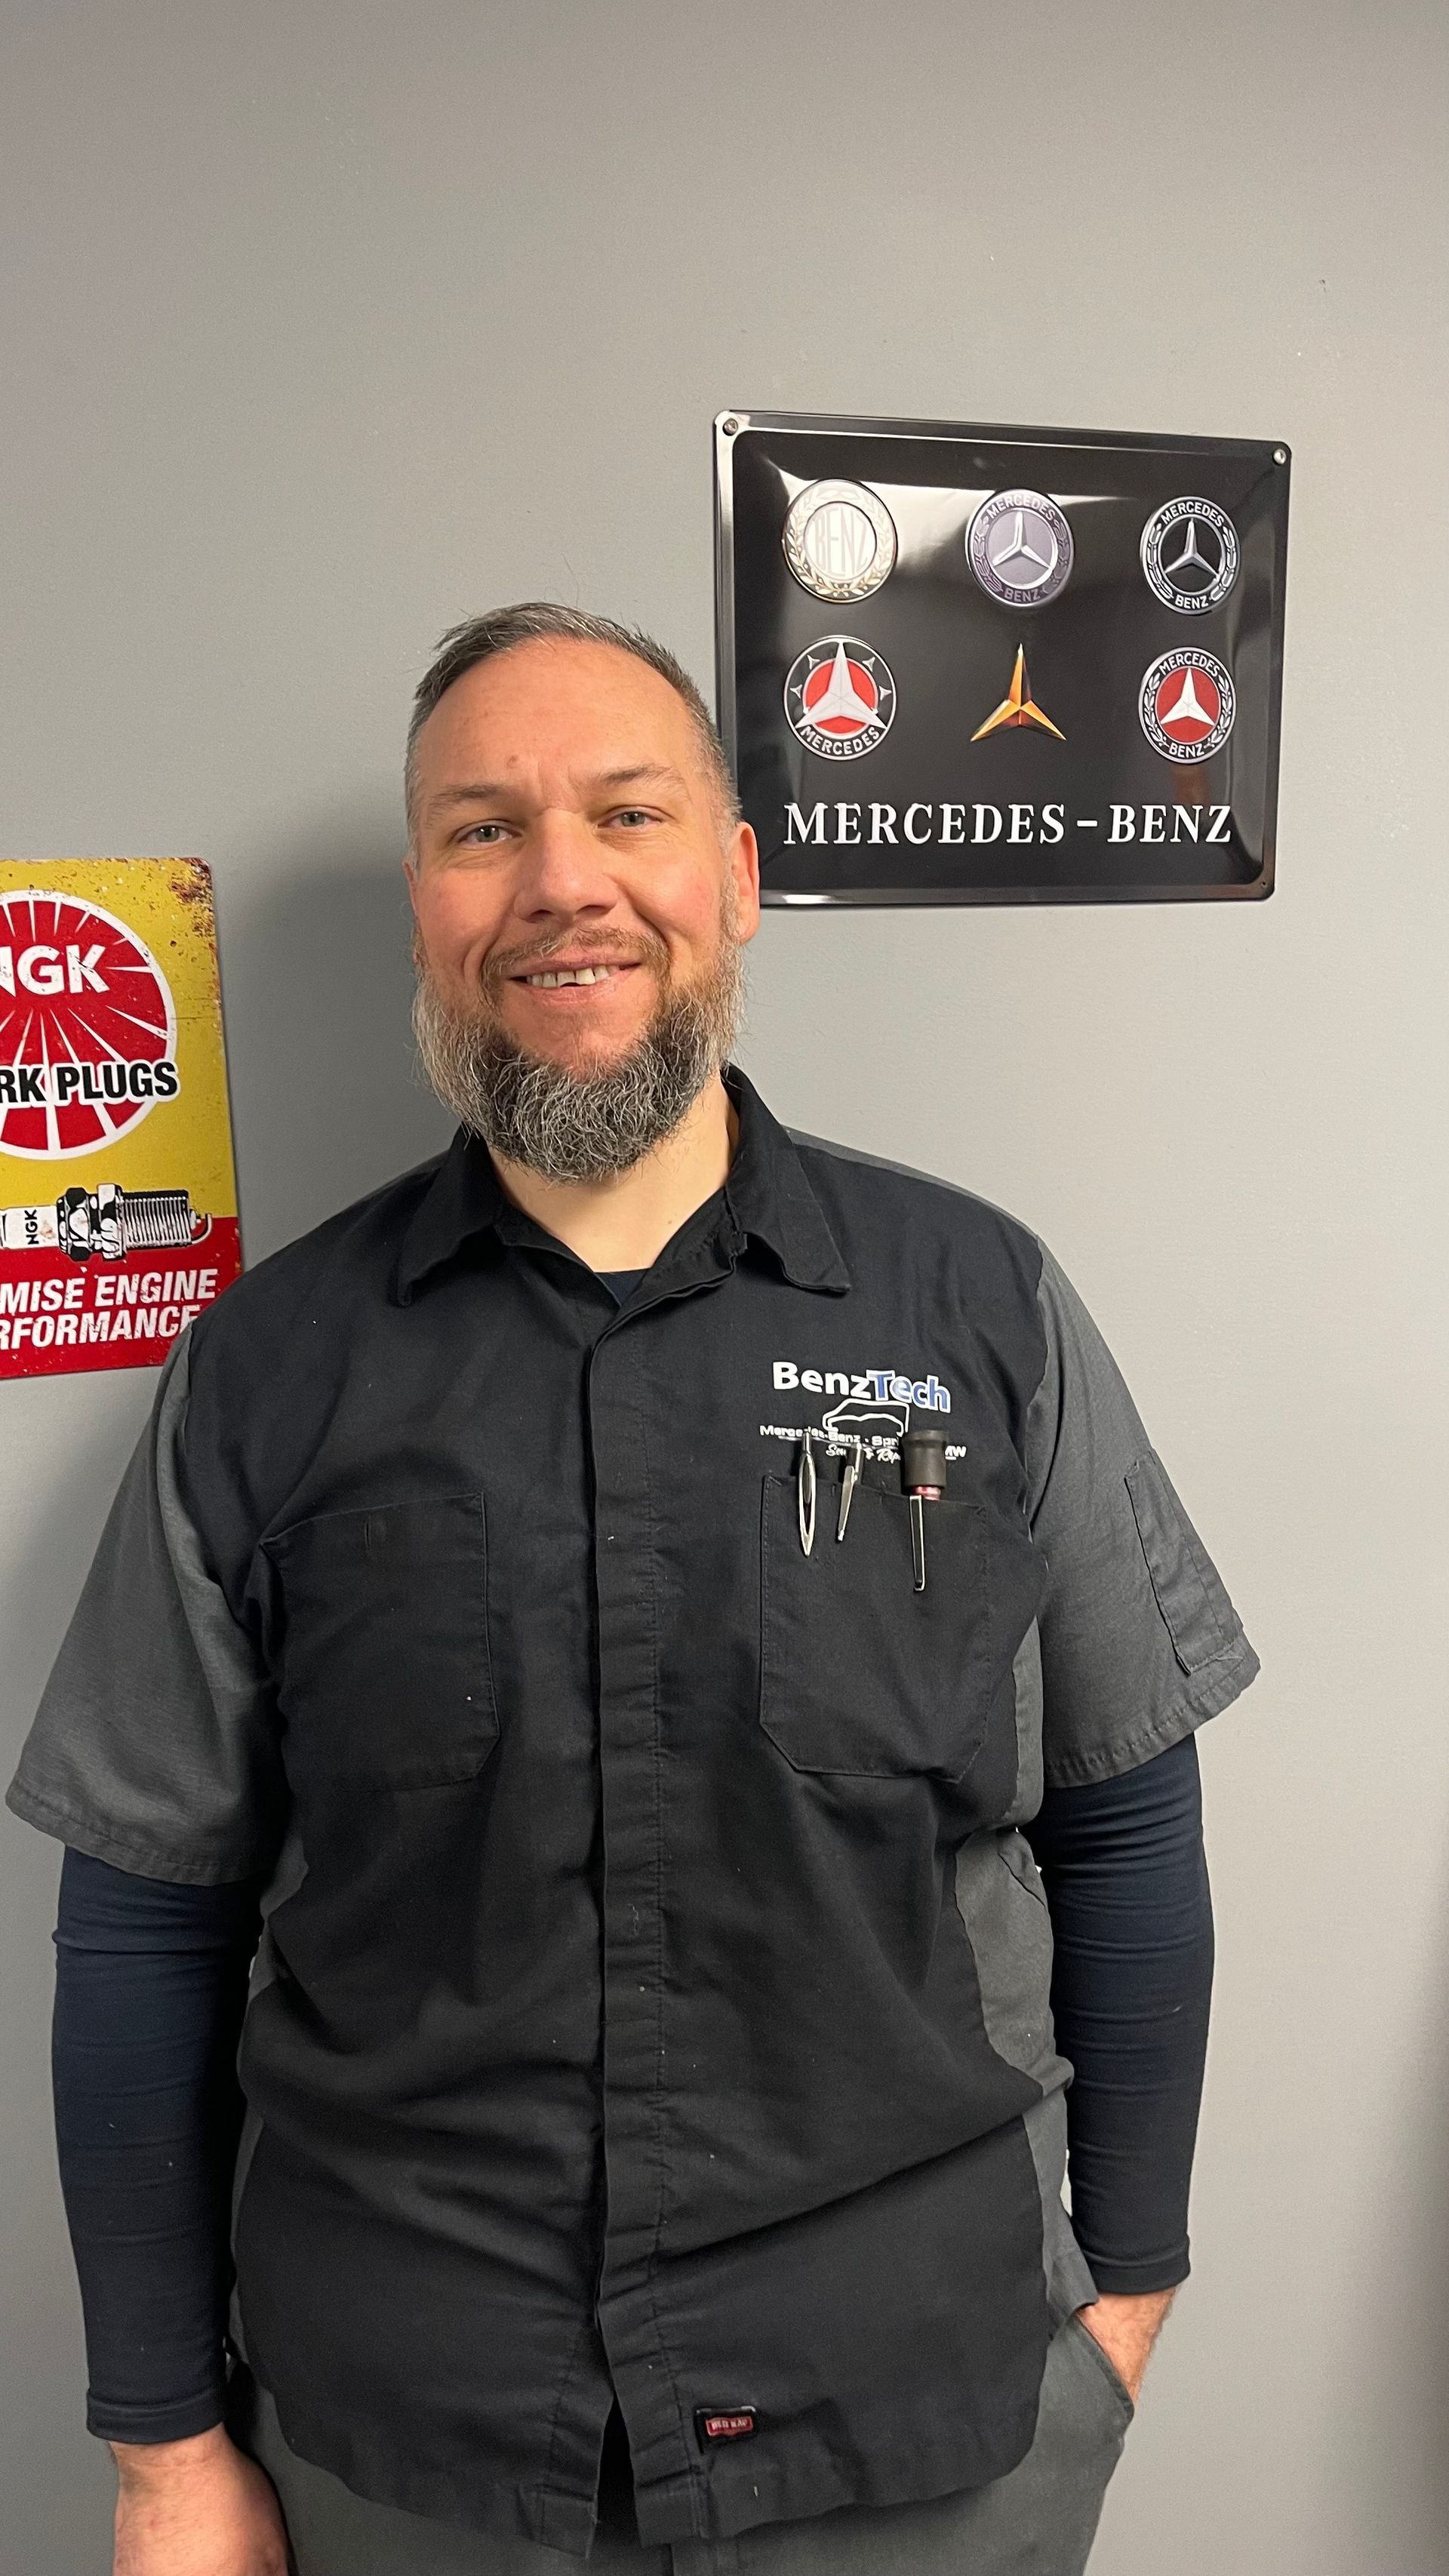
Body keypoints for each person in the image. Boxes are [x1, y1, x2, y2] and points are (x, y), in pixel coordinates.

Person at [8, 603, 1258, 2576]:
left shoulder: (979, 1312)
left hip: (921, 2427)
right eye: (483, 828)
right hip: (414, 2453)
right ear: (425, 904)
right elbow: (148, 1936)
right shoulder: (268, 1372)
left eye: (627, 810)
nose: (562, 882)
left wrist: (1131, 2297)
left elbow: (1128, 1828)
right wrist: (163, 2445)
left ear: (739, 875)